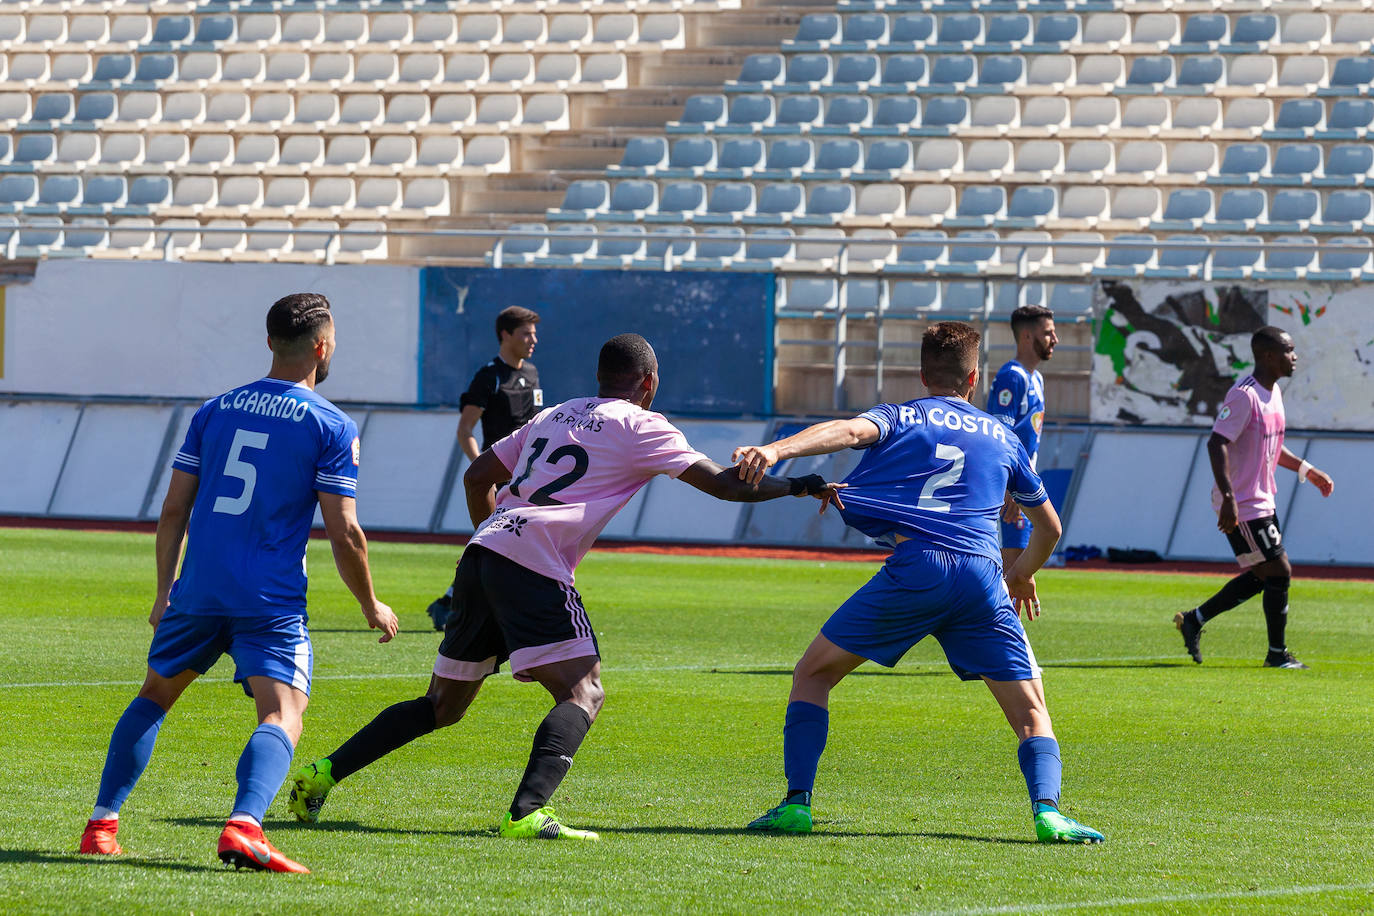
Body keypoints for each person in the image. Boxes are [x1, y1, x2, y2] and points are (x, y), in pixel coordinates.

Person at [287, 333, 840, 840]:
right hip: (533, 562)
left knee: (442, 705)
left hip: (485, 552)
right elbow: (725, 486)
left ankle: (322, 773)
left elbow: (479, 477)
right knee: (583, 691)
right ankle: (527, 814)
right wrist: (798, 485)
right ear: (647, 384)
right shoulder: (642, 424)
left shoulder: (555, 414)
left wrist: (493, 534)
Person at [734, 321, 1104, 844]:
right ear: (974, 377)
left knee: (813, 674)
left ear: (922, 372)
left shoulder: (902, 415)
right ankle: (1049, 814)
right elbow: (1051, 527)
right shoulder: (1003, 435)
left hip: (918, 570)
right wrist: (1021, 574)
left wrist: (775, 452)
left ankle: (797, 804)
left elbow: (848, 430)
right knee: (1031, 710)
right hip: (982, 577)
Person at [77, 293, 399, 873]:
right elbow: (344, 530)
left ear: (270, 340)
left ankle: (101, 824)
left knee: (154, 696)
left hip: (197, 588)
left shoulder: (215, 410)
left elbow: (174, 510)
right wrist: (369, 602)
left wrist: (163, 590)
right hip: (268, 599)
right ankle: (246, 826)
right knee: (283, 713)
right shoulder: (330, 423)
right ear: (322, 347)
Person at [1173, 326, 1334, 669]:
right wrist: (1229, 497)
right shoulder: (1244, 395)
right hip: (1243, 503)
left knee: (1267, 574)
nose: (1295, 357)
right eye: (1289, 351)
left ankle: (1195, 619)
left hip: (1262, 498)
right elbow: (1216, 443)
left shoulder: (1272, 393)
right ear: (1268, 356)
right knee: (1279, 570)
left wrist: (1307, 469)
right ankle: (1277, 655)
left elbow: (1271, 446)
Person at [426, 306, 543, 630]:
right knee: (494, 543)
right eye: (526, 333)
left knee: (494, 543)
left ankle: (451, 602)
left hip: (527, 481)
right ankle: (459, 604)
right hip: (498, 480)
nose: (533, 339)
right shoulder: (488, 376)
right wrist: (484, 471)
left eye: (534, 333)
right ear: (505, 335)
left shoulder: (532, 374)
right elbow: (465, 430)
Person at [987, 305, 1057, 569]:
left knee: (1018, 573)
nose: (1055, 339)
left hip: (1023, 486)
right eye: (1048, 333)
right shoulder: (1012, 377)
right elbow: (998, 436)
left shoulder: (1035, 378)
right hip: (1010, 490)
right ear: (1027, 336)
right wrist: (1009, 489)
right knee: (1011, 570)